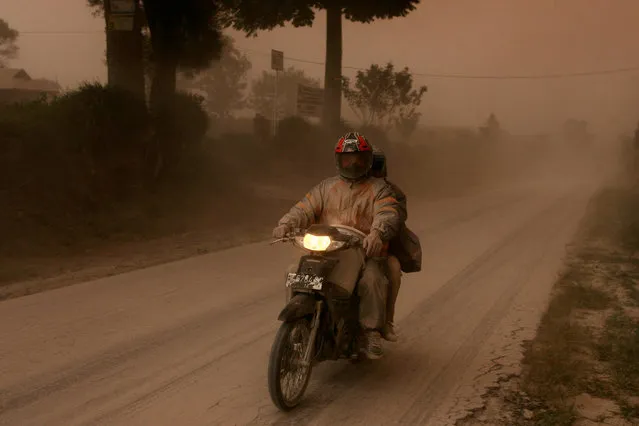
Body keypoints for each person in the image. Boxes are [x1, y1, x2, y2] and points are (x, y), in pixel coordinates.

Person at [273, 132, 401, 359]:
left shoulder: (380, 189)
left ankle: (371, 331)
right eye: (347, 158)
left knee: (372, 280)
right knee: (293, 271)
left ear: (368, 159)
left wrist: (376, 233)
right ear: (338, 160)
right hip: (327, 248)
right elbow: (304, 208)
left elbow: (388, 213)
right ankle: (298, 323)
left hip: (362, 250)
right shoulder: (326, 187)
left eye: (358, 158)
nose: (353, 163)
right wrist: (286, 223)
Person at [370, 148, 422, 343]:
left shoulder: (393, 192)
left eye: (373, 165)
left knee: (393, 269)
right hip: (345, 245)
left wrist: (380, 230)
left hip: (379, 248)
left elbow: (396, 218)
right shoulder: (343, 187)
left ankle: (386, 321)